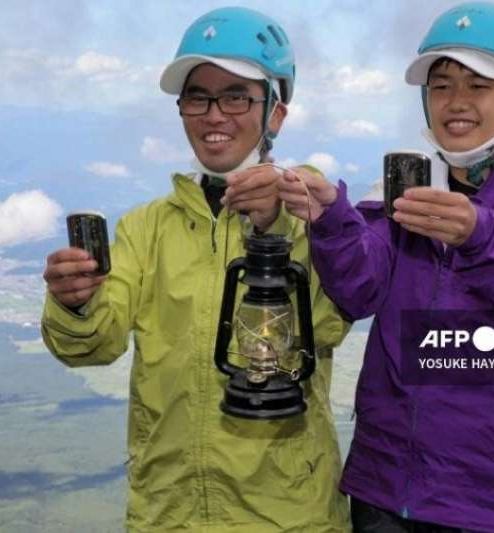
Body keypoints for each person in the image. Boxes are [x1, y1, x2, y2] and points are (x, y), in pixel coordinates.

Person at [279, 2, 494, 531]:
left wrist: (482, 235)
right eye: (441, 85)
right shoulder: (401, 192)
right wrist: (331, 219)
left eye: (478, 85)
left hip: (492, 504)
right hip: (383, 491)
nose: (456, 102)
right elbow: (357, 291)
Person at [40, 7, 351, 532]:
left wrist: (276, 228)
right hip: (168, 514)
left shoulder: (312, 215)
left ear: (275, 113)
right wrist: (76, 302)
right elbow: (94, 346)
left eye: (236, 96)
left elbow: (326, 324)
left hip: (288, 517)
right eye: (197, 96)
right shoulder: (146, 228)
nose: (213, 115)